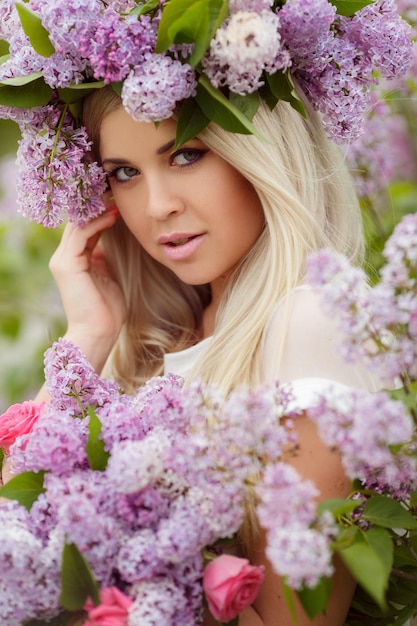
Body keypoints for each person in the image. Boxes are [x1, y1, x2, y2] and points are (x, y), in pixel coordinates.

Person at [0, 0, 412, 623]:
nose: (157, 205)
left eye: (185, 155)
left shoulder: (308, 326)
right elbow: (17, 557)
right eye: (123, 173)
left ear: (263, 150)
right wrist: (87, 336)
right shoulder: (154, 348)